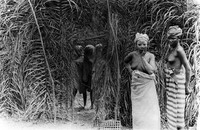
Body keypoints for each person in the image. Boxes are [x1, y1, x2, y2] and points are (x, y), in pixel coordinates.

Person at [124, 33, 160, 130]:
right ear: (136, 45)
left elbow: (152, 70)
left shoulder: (150, 56)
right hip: (136, 84)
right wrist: (130, 71)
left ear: (147, 45)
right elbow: (126, 62)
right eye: (139, 44)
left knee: (149, 107)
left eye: (144, 44)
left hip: (148, 84)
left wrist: (144, 59)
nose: (142, 47)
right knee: (138, 108)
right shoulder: (132, 55)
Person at [164, 25, 191, 130]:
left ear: (178, 38)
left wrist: (186, 86)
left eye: (173, 38)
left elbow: (188, 69)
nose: (170, 40)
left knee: (177, 110)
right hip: (171, 81)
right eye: (169, 38)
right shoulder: (173, 48)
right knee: (172, 109)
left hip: (176, 82)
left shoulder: (179, 50)